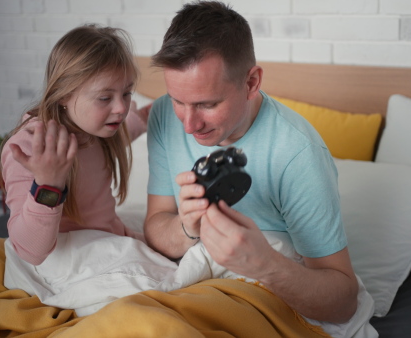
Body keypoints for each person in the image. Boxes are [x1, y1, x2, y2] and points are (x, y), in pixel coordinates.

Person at [144, 1, 359, 323]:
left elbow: (342, 304)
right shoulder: (163, 114)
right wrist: (186, 227)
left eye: (207, 104)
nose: (188, 125)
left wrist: (264, 264)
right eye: (178, 100)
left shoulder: (298, 154)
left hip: (264, 293)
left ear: (251, 82)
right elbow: (157, 222)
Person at [0, 24, 167, 315]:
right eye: (105, 98)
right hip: (60, 260)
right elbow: (30, 250)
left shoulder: (96, 127)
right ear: (63, 95)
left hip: (104, 240)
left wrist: (146, 115)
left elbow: (126, 127)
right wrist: (48, 184)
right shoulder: (31, 148)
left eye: (127, 94)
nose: (120, 108)